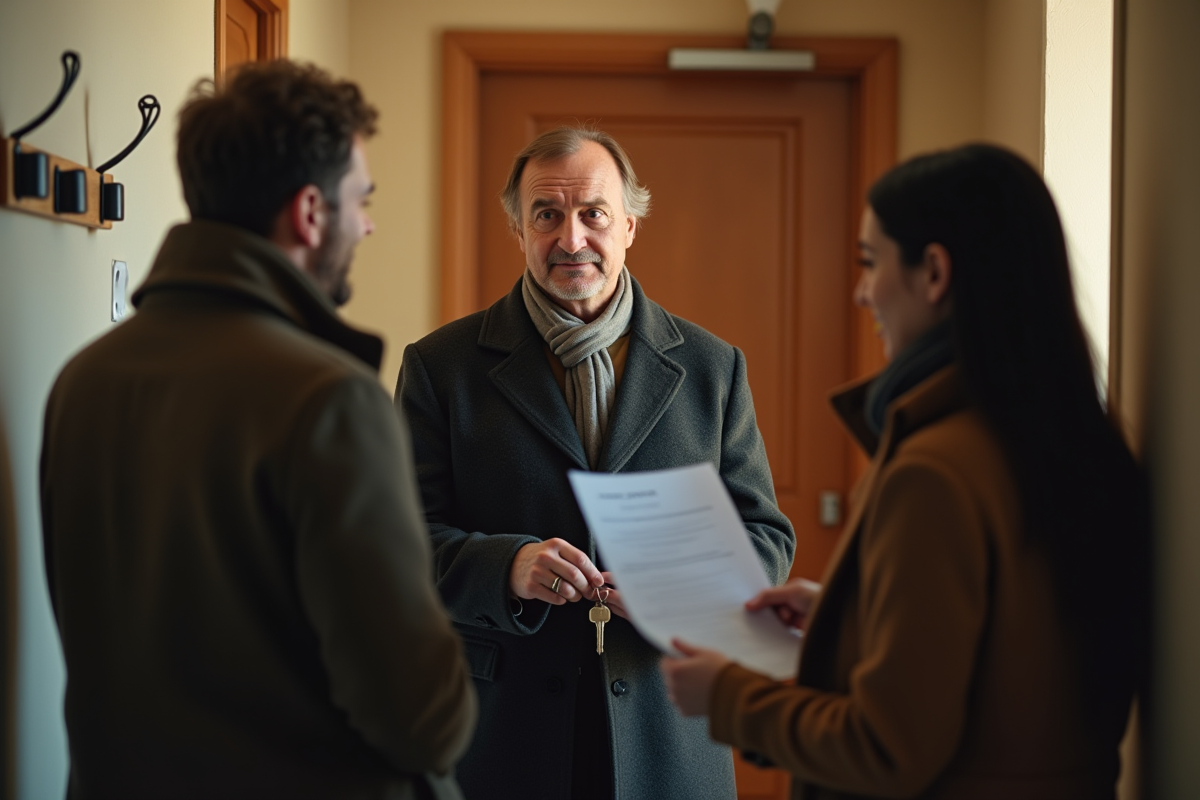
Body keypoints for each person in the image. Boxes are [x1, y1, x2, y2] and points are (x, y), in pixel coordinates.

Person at [39, 61, 476, 800]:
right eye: (359, 200)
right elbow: (421, 717)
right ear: (310, 213)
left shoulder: (81, 378)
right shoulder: (328, 397)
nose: (367, 223)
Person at [661, 143, 1150, 800]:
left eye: (871, 263)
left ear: (935, 272)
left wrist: (728, 696)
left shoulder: (935, 473)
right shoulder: (1079, 438)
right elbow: (1011, 657)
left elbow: (886, 747)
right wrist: (846, 613)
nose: (862, 293)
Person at [396, 126, 795, 799]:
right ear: (517, 229)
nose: (571, 238)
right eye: (546, 215)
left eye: (593, 214)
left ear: (630, 226)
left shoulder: (711, 368)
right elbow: (397, 544)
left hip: (668, 731)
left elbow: (767, 539)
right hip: (500, 736)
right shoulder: (441, 368)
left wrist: (676, 588)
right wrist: (506, 568)